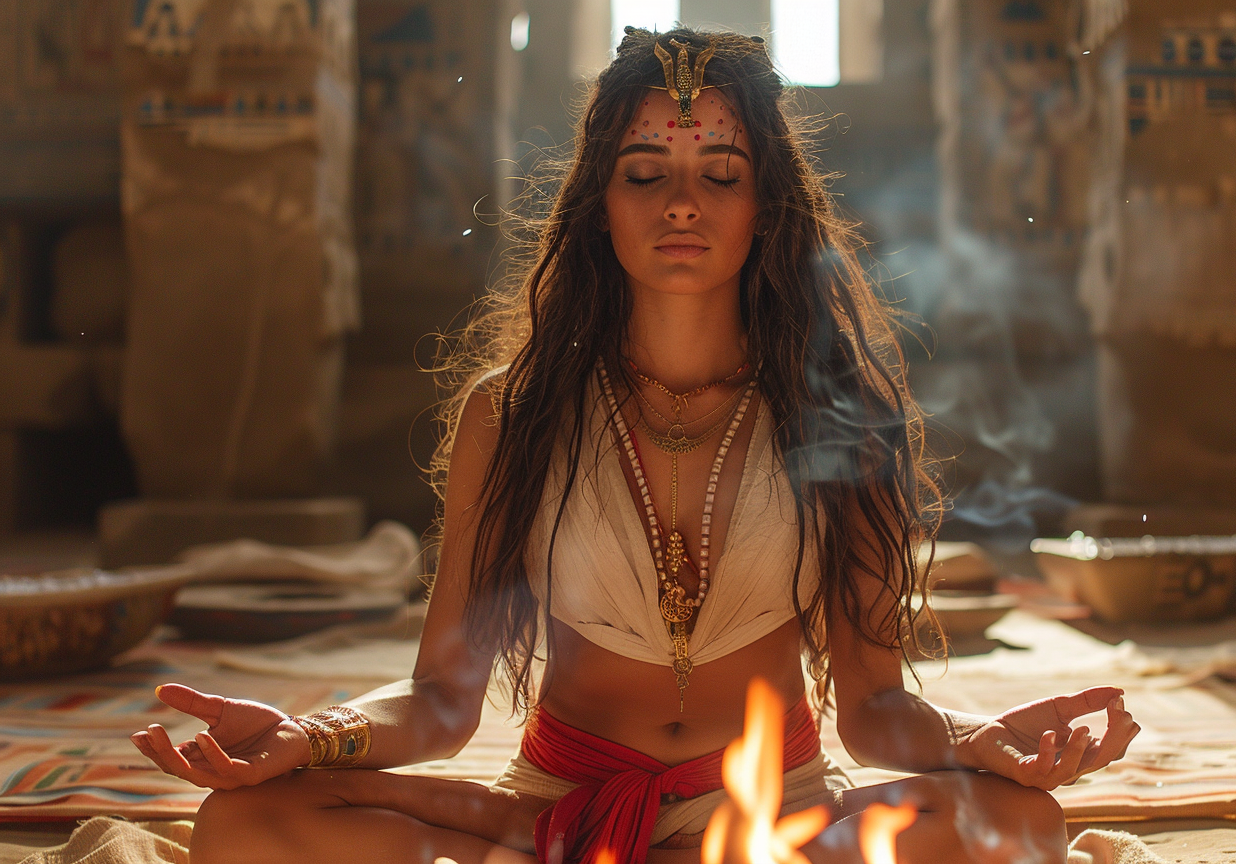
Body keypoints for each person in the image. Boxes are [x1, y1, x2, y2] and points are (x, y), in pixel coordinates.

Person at [131, 26, 1139, 864]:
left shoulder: (842, 410)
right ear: (598, 205)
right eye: (645, 171)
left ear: (766, 205)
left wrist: (981, 742)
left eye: (721, 173)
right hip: (551, 816)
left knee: (1019, 827)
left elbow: (875, 709)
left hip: (774, 814)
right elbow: (442, 701)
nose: (682, 203)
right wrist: (312, 738)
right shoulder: (510, 412)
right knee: (245, 824)